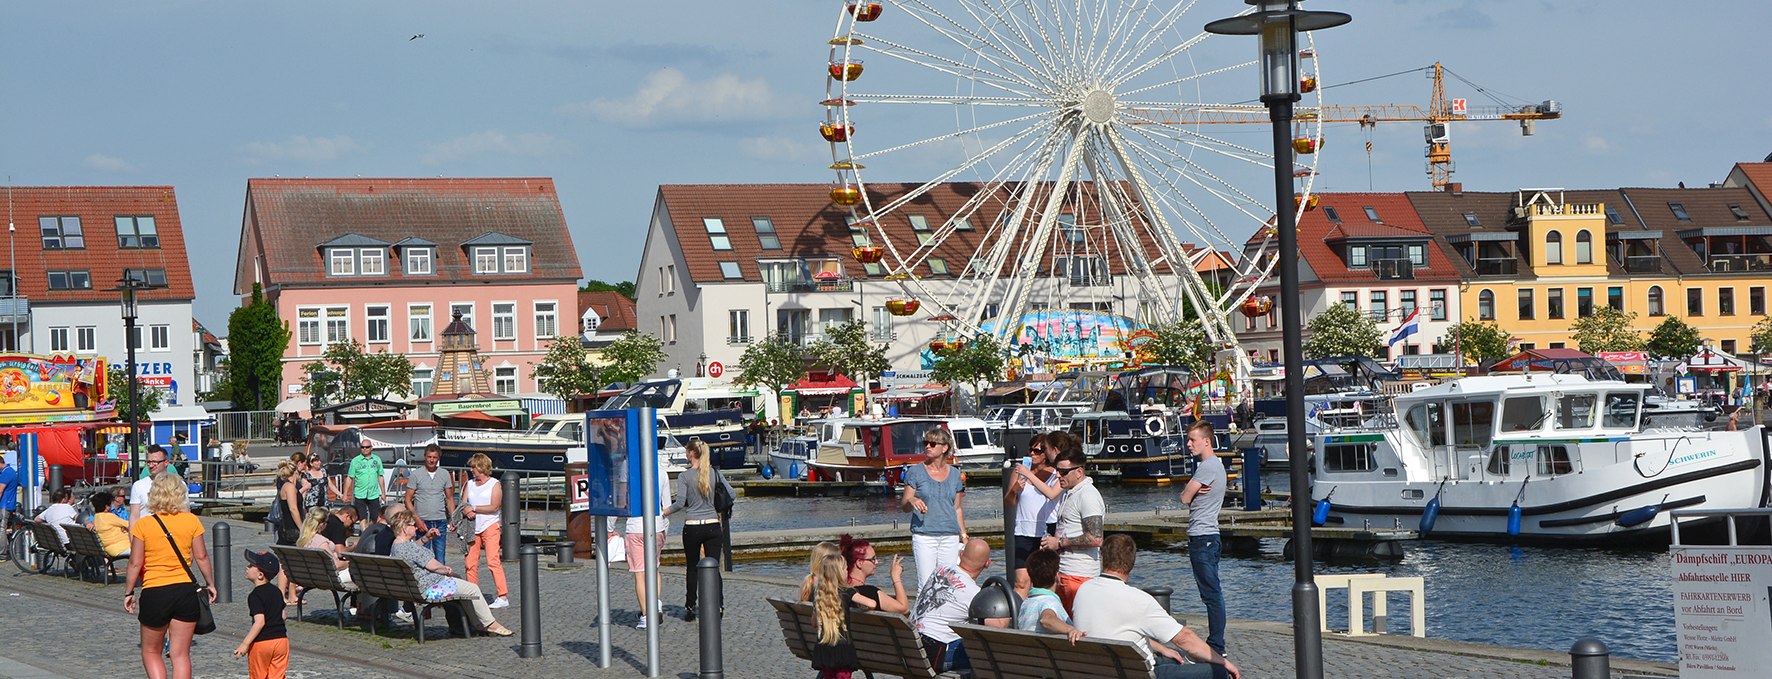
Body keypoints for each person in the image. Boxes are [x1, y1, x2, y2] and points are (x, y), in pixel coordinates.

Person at [1072, 535, 1239, 679]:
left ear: (1102, 557)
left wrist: (1162, 649)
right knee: (1217, 672)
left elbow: (1118, 631)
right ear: (1132, 563)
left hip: (1097, 669)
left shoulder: (1083, 590)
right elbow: (1184, 639)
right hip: (1135, 674)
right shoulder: (1138, 599)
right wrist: (1223, 661)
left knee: (1174, 658)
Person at [123, 473, 216, 679]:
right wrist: (211, 583)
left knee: (150, 651)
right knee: (180, 654)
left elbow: (135, 563)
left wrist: (129, 592)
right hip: (185, 591)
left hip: (155, 590)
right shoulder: (191, 521)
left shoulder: (144, 525)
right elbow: (201, 556)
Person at [386, 511, 514, 636]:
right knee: (472, 588)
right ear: (404, 528)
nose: (415, 527)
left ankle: (475, 624)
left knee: (461, 585)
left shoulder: (396, 545)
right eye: (413, 525)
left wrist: (425, 539)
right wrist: (446, 570)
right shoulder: (410, 548)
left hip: (414, 588)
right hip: (427, 588)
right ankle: (490, 624)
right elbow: (435, 567)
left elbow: (414, 553)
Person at [911, 537, 1009, 673]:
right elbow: (998, 627)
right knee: (995, 652)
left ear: (961, 555)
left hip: (910, 644)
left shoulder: (941, 568)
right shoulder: (975, 594)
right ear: (987, 564)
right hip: (935, 654)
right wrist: (1003, 598)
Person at [662, 439, 733, 621]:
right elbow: (731, 494)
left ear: (692, 454)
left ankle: (690, 605)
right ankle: (719, 604)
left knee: (692, 567)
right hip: (712, 526)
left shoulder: (684, 476)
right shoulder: (715, 473)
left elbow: (679, 503)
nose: (686, 455)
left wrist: (664, 513)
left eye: (687, 452)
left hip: (692, 526)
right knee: (714, 567)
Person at [1040, 438, 1104, 613]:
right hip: (1066, 572)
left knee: (1077, 628)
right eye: (1057, 470)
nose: (1058, 475)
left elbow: (1096, 538)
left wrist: (1059, 543)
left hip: (1080, 575)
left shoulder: (1088, 495)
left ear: (1079, 471)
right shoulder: (1071, 493)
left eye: (1063, 472)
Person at [1180, 420, 1227, 655]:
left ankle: (1217, 646)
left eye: (1192, 440)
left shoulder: (1207, 467)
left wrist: (1192, 488)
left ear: (1206, 441)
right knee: (1211, 592)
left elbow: (1185, 498)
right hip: (1208, 536)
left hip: (1203, 537)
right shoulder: (1214, 466)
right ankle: (1216, 643)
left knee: (1211, 594)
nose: (1188, 444)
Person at [899, 427, 967, 586]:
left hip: (950, 535)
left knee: (946, 584)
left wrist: (964, 536)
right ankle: (922, 612)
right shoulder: (915, 472)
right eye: (925, 443)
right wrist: (911, 500)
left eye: (932, 443)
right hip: (924, 535)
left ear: (945, 448)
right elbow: (904, 504)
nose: (927, 446)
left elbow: (957, 508)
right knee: (926, 584)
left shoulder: (956, 475)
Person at [614, 456, 672, 629]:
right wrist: (664, 529)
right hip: (657, 526)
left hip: (636, 526)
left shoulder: (628, 473)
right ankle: (657, 604)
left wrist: (610, 527)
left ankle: (646, 615)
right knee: (654, 568)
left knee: (640, 573)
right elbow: (667, 506)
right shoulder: (662, 473)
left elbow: (621, 502)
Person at [1008, 432, 1061, 587]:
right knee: (1021, 581)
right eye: (1030, 450)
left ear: (1046, 453)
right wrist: (1014, 490)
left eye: (1037, 451)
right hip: (1024, 531)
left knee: (1048, 580)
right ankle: (1021, 610)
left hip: (1047, 531)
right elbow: (1009, 502)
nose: (1032, 453)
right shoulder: (1020, 472)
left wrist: (1029, 476)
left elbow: (1052, 494)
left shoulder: (1056, 474)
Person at [460, 453, 509, 609]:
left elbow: (494, 506)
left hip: (490, 525)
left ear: (481, 467)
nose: (471, 470)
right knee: (470, 562)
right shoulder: (470, 484)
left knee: (493, 561)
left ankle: (502, 596)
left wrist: (474, 508)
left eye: (473, 467)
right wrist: (466, 511)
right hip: (472, 527)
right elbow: (463, 504)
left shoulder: (494, 484)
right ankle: (472, 593)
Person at [235, 550, 288, 679]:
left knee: (259, 675)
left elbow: (260, 622)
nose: (247, 567)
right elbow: (283, 615)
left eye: (251, 565)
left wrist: (245, 643)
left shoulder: (255, 596)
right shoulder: (276, 591)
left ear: (260, 575)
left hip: (262, 643)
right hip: (281, 641)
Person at [403, 443, 457, 564]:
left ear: (438, 458)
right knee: (423, 558)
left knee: (440, 559)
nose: (432, 460)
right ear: (425, 457)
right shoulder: (416, 475)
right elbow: (407, 499)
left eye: (434, 457)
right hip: (422, 521)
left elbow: (449, 498)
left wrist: (453, 517)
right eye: (429, 457)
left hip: (440, 521)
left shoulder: (444, 474)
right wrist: (417, 519)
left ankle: (440, 582)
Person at [1017, 547, 1085, 642]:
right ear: (1057, 576)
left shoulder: (1027, 603)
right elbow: (1046, 619)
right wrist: (1070, 629)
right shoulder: (1049, 601)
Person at [811, 552, 860, 679]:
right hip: (844, 650)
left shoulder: (819, 595)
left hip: (825, 650)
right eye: (844, 568)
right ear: (838, 573)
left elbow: (814, 623)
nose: (847, 571)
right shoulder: (847, 592)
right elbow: (871, 603)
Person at [838, 534, 908, 614]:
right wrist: (895, 576)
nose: (877, 562)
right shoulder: (869, 593)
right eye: (873, 559)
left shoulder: (841, 587)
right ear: (859, 563)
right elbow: (904, 609)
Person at [297, 511, 352, 586]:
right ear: (321, 524)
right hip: (327, 577)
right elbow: (336, 565)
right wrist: (351, 563)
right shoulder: (321, 541)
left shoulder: (304, 539)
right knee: (361, 573)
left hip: (311, 574)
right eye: (327, 522)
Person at [130, 445, 174, 526]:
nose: (151, 465)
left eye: (155, 462)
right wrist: (132, 537)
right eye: (149, 462)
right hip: (146, 535)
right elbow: (134, 516)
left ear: (166, 462)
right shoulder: (138, 486)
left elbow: (185, 513)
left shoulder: (178, 485)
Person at [344, 441, 386, 524]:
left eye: (367, 447)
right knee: (362, 517)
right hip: (360, 493)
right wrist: (345, 493)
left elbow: (380, 476)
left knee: (375, 517)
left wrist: (383, 493)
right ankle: (364, 533)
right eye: (362, 447)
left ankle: (369, 532)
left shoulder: (377, 459)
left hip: (373, 493)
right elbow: (350, 477)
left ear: (371, 448)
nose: (364, 449)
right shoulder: (355, 461)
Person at [87, 491, 131, 558]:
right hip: (121, 547)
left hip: (110, 548)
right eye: (111, 504)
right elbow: (129, 524)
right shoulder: (109, 517)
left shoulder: (96, 517)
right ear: (107, 506)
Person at [272, 461, 302, 546]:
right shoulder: (290, 487)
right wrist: (301, 528)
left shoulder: (288, 486)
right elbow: (293, 509)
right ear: (295, 472)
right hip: (291, 528)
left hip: (288, 526)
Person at [0, 452, 13, 558]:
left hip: (5, 503)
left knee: (1, 528)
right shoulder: (8, 471)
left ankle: (2, 552)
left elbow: (0, 490)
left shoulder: (6, 473)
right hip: (7, 502)